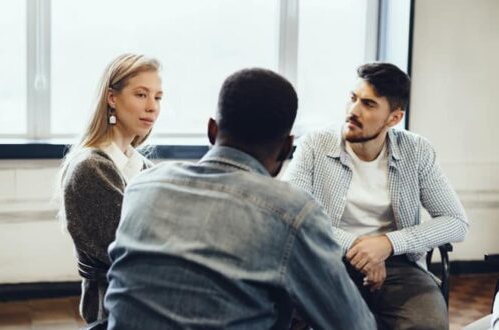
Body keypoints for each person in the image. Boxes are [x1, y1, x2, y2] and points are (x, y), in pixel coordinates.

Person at [105, 68, 376, 329]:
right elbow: (352, 324)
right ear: (286, 147)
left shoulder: (143, 186)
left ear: (212, 130)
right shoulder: (293, 212)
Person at [284, 62, 469, 329]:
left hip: (398, 264)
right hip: (326, 258)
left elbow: (456, 222)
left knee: (428, 323)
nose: (353, 111)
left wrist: (388, 244)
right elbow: (292, 215)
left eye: (368, 105)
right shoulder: (314, 145)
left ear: (394, 118)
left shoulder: (416, 151)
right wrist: (359, 247)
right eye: (353, 98)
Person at [58, 53, 163, 323]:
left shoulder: (142, 166)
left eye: (158, 97)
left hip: (146, 304)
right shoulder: (90, 168)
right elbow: (134, 251)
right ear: (112, 98)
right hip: (114, 312)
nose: (152, 106)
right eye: (141, 95)